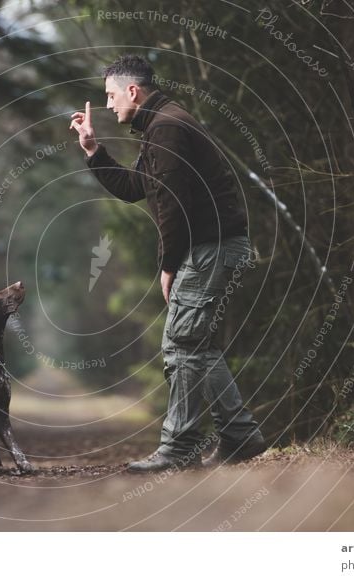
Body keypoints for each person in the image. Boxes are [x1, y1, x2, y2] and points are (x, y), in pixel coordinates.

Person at [69, 54, 268, 472]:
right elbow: (135, 188)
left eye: (110, 96)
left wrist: (168, 264)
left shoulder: (166, 128)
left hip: (210, 248)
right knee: (195, 343)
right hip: (213, 246)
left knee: (180, 343)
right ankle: (239, 435)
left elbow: (173, 205)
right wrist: (92, 150)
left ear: (133, 91)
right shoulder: (159, 126)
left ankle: (178, 449)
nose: (107, 106)